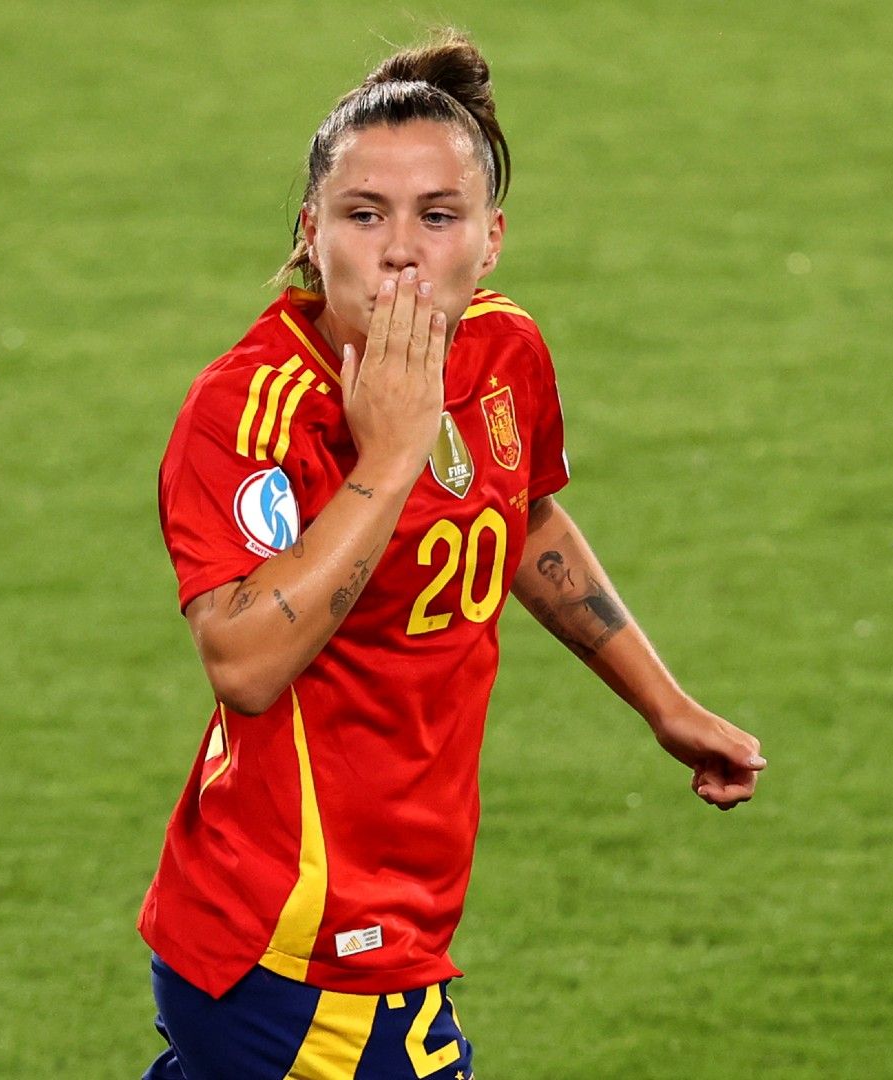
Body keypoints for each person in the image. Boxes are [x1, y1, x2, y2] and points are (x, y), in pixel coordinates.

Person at [139, 28, 765, 1079]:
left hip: (392, 911)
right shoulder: (251, 410)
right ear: (311, 231)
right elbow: (244, 662)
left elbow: (521, 521)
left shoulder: (502, 348)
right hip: (295, 945)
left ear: (491, 238)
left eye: (438, 217)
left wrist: (662, 702)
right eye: (364, 214)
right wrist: (386, 453)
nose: (400, 250)